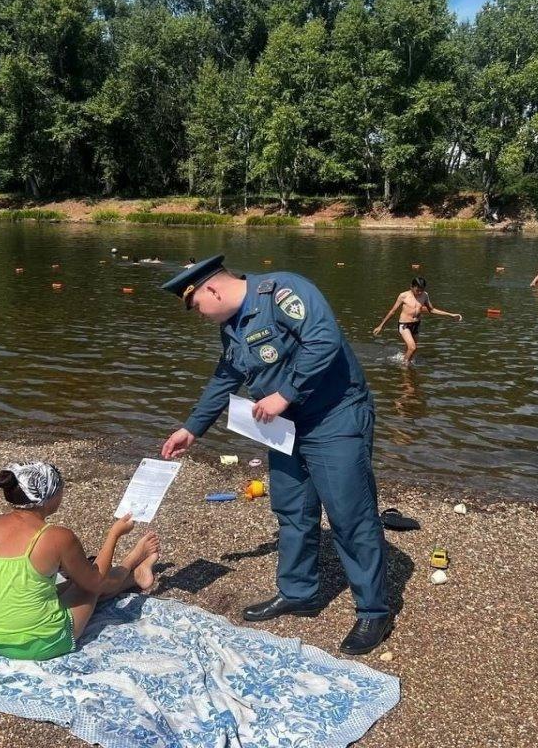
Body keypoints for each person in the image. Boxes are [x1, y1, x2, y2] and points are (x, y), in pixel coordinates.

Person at [158, 255, 391, 655]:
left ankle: (373, 610)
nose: (198, 315)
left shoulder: (283, 290)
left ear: (212, 289)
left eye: (196, 306)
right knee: (292, 508)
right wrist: (192, 428)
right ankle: (299, 593)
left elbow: (323, 339)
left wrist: (285, 394)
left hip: (334, 416)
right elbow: (227, 375)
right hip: (286, 427)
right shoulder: (232, 326)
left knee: (349, 514)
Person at [0, 461, 160, 661]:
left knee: (56, 585)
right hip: (39, 643)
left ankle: (135, 578)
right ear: (50, 496)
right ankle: (132, 565)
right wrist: (114, 534)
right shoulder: (56, 536)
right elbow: (97, 582)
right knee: (88, 586)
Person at [372, 276, 462, 365]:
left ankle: (405, 361)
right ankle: (404, 366)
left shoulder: (425, 295)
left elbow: (432, 310)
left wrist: (450, 314)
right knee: (412, 347)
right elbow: (392, 311)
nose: (419, 292)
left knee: (412, 350)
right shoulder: (403, 296)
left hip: (416, 325)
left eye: (421, 290)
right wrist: (381, 326)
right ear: (411, 287)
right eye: (417, 290)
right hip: (404, 325)